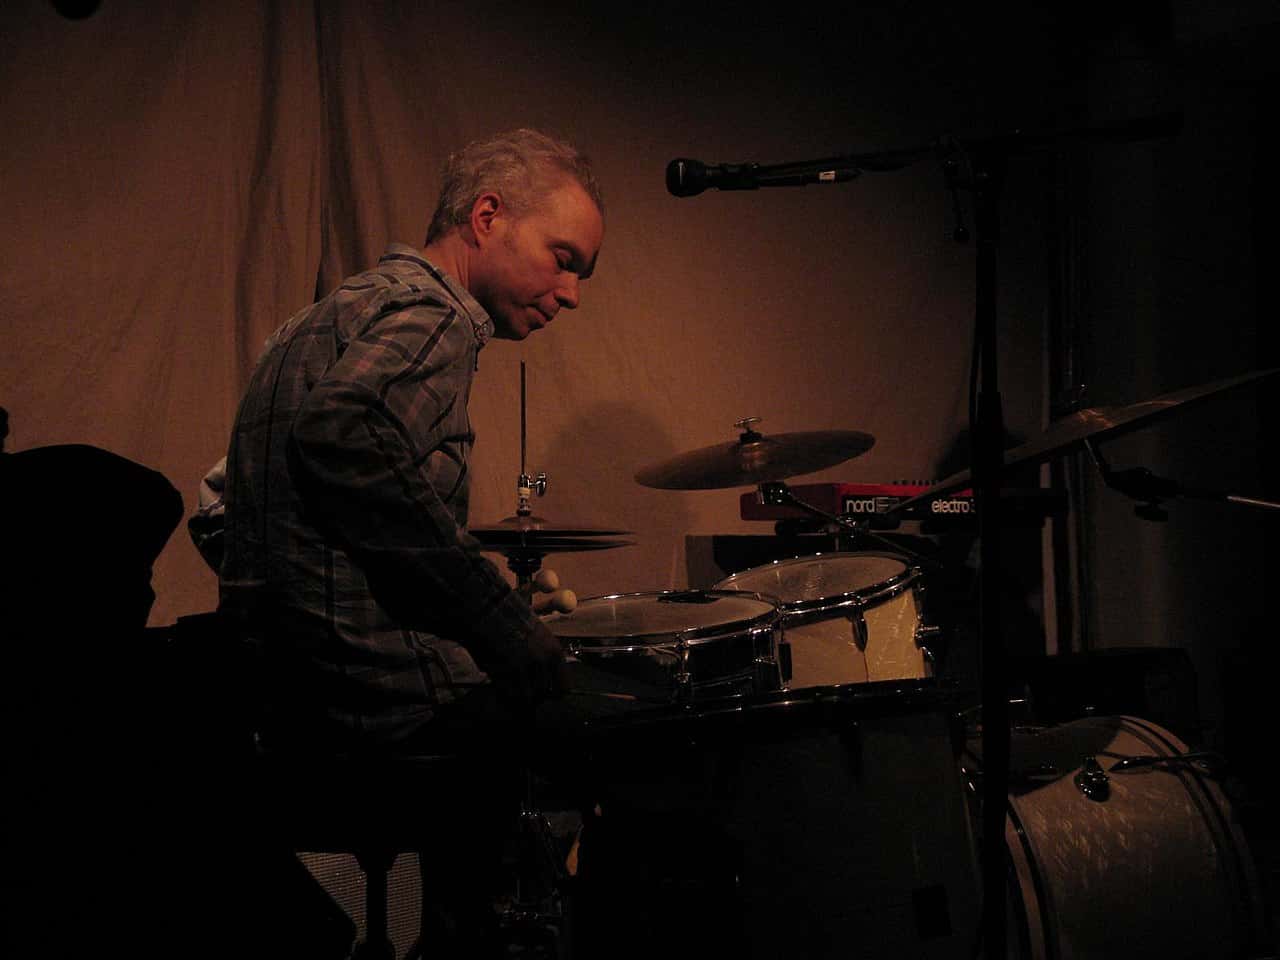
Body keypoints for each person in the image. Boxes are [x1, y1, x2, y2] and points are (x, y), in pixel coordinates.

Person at [218, 128, 605, 955]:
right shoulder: (438, 312)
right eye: (563, 256)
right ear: (488, 216)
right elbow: (346, 433)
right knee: (615, 729)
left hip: (286, 718)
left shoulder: (312, 322)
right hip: (387, 716)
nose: (570, 293)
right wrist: (502, 623)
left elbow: (233, 509)